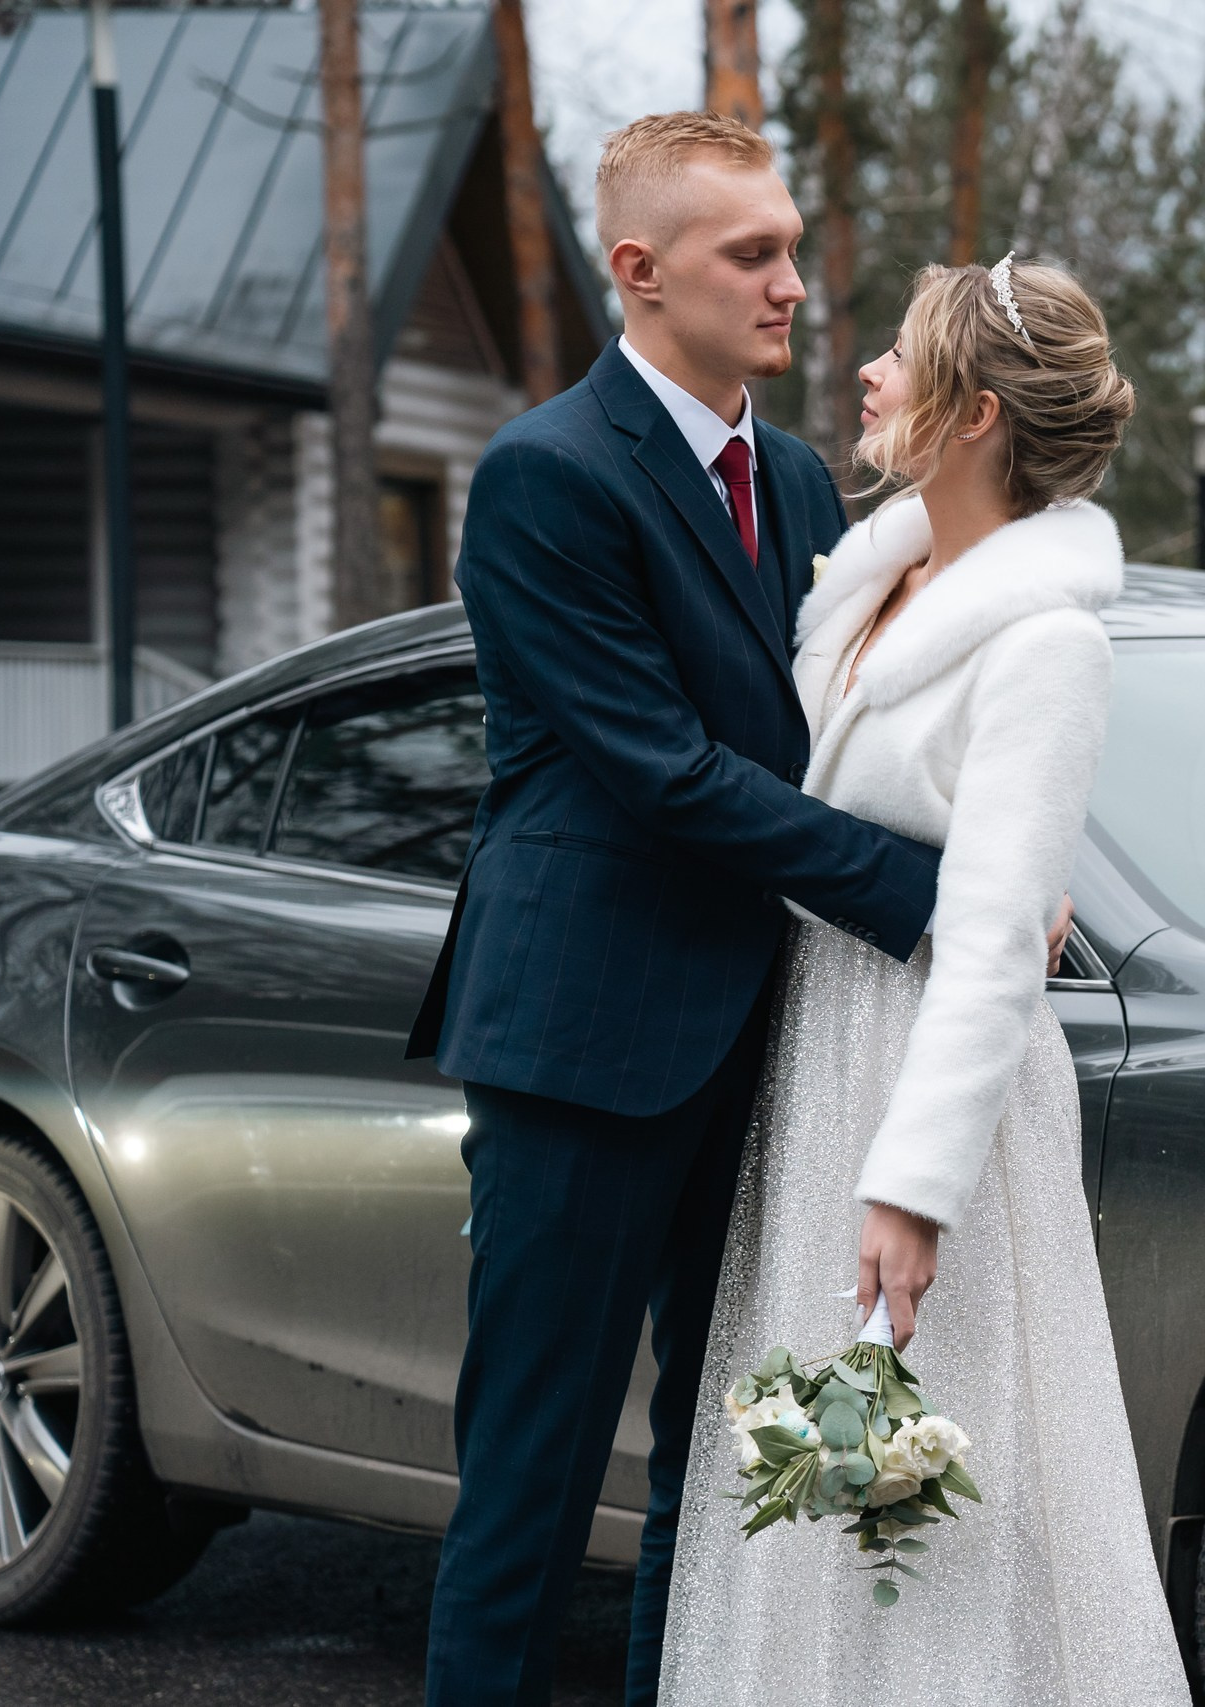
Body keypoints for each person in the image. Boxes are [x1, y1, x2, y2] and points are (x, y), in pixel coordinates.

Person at [408, 112, 1064, 1705]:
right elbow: (672, 774)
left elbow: (863, 733)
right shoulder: (543, 477)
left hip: (769, 1046)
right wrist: (935, 898)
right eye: (749, 253)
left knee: (723, 1496)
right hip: (581, 1042)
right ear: (639, 274)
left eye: (790, 244)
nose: (791, 281)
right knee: (528, 1497)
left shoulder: (795, 480)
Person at [654, 257, 1189, 1703]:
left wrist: (915, 1182)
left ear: (972, 417)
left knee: (932, 1480)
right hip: (818, 1052)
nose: (869, 376)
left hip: (931, 1085)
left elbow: (1004, 931)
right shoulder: (874, 578)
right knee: (813, 1475)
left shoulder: (1048, 639)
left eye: (899, 357)